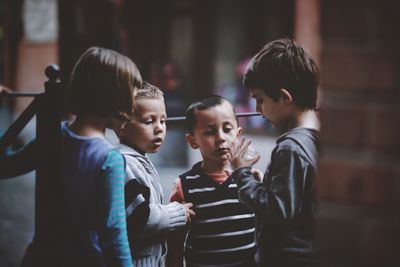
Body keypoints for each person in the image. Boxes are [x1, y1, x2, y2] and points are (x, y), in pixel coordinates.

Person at [228, 38, 320, 267]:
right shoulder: (317, 138)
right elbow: (296, 200)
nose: (258, 110)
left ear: (285, 97)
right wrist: (267, 184)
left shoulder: (291, 148)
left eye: (260, 99)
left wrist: (242, 175)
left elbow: (277, 211)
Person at [56, 47, 142, 266]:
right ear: (115, 98)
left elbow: (7, 164)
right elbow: (113, 234)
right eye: (131, 99)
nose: (133, 109)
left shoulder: (54, 136)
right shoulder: (109, 159)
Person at [167, 95, 257, 267]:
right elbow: (175, 246)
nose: (221, 137)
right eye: (210, 131)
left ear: (238, 134)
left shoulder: (249, 181)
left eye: (227, 129)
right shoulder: (184, 186)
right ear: (193, 141)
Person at [115, 81, 195, 267]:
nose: (159, 128)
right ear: (121, 127)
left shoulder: (138, 160)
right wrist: (177, 213)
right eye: (149, 121)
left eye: (163, 120)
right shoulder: (124, 164)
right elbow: (138, 219)